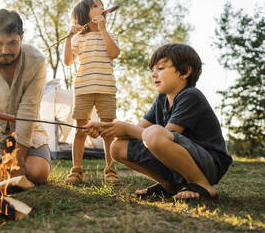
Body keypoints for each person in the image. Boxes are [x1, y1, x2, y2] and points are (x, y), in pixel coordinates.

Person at [85, 43, 232, 199]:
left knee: (155, 134)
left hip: (208, 163)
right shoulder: (161, 99)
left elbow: (163, 134)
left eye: (160, 68)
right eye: (152, 70)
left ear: (185, 72)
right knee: (118, 147)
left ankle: (201, 184)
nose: (154, 74)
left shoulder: (190, 95)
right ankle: (170, 186)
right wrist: (106, 129)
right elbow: (137, 131)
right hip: (179, 161)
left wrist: (126, 129)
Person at [0, 9, 50, 184]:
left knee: (37, 172)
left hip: (29, 134)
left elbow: (28, 110)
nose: (5, 50)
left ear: (22, 37)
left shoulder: (37, 61)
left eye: (12, 43)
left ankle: (7, 166)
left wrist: (18, 158)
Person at [63, 0, 120, 185]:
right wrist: (69, 38)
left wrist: (103, 30)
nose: (102, 7)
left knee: (108, 131)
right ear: (84, 14)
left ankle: (111, 170)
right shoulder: (79, 38)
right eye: (96, 6)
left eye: (102, 5)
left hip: (106, 89)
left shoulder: (110, 35)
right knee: (80, 129)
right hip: (83, 89)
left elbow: (113, 54)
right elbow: (68, 61)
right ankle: (76, 170)